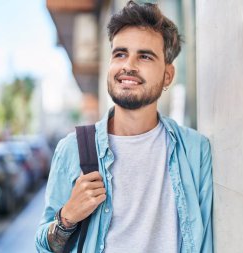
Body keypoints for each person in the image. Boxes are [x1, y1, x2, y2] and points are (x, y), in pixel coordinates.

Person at [35, 1, 213, 252]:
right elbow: (44, 247)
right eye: (120, 54)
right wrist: (66, 218)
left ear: (168, 75)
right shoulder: (72, 149)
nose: (128, 65)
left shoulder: (195, 150)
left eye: (145, 56)